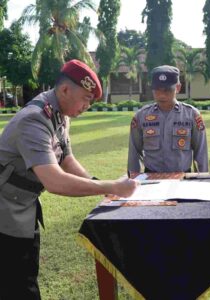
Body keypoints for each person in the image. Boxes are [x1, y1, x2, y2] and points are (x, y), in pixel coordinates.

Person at [0, 59, 138, 300]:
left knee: (24, 276)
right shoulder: (34, 119)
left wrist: (100, 185)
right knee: (17, 284)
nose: (88, 105)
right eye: (85, 98)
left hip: (21, 207)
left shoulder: (60, 115)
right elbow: (55, 181)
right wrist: (112, 186)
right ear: (65, 90)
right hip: (5, 211)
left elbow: (66, 159)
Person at [127, 65, 208, 173]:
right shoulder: (141, 116)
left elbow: (201, 152)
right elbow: (134, 153)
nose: (162, 95)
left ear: (178, 88)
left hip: (182, 179)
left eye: (167, 90)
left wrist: (204, 179)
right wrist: (133, 179)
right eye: (157, 90)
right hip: (151, 180)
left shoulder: (192, 115)